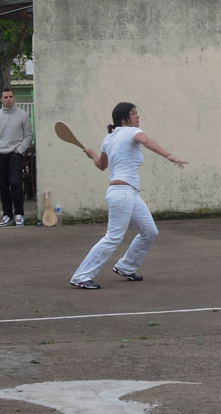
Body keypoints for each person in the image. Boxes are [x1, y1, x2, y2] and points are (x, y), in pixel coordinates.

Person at [69, 102, 188, 289]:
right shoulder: (131, 132)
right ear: (124, 119)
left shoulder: (108, 138)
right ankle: (81, 276)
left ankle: (126, 266)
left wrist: (92, 154)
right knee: (113, 237)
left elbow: (101, 165)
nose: (138, 117)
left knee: (149, 231)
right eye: (134, 114)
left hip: (127, 192)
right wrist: (169, 155)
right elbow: (146, 141)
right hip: (122, 193)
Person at [0, 88, 33, 227]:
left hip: (15, 154)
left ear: (14, 98)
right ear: (1, 99)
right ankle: (7, 215)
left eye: (11, 96)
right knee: (3, 186)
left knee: (15, 182)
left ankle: (19, 214)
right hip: (0, 154)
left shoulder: (23, 115)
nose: (8, 99)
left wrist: (19, 150)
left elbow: (28, 136)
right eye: (5, 97)